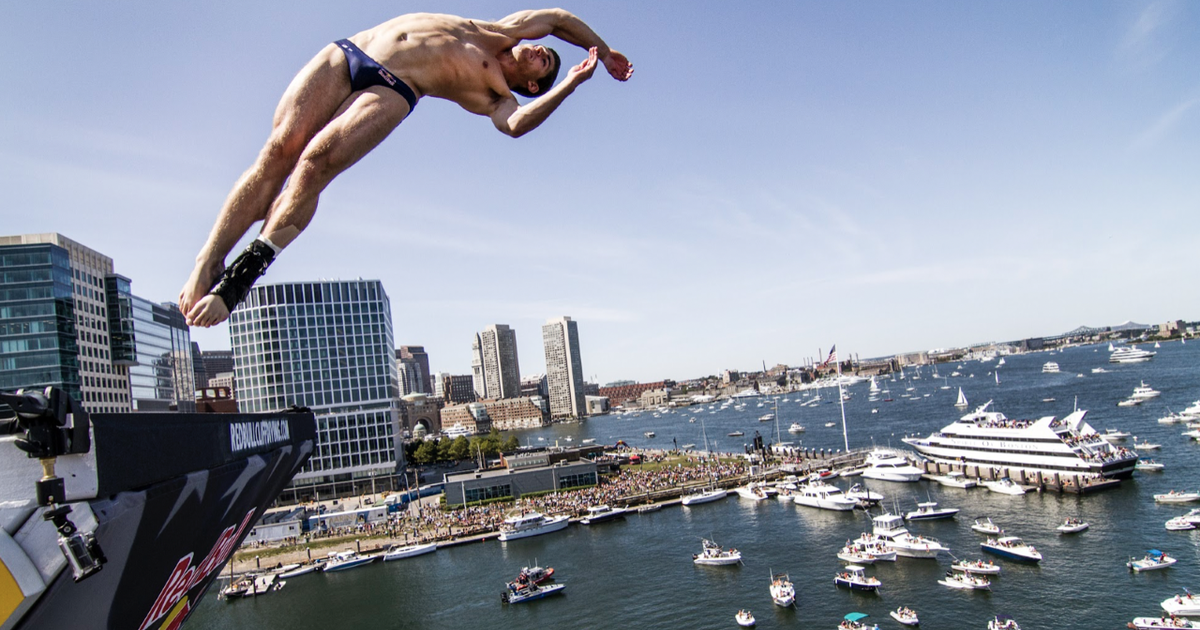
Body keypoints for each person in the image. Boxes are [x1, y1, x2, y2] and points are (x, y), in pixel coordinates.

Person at [179, 9, 632, 327]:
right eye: (545, 50)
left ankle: (240, 277)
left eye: (546, 61)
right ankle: (208, 260)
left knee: (313, 165)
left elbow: (514, 125)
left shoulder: (497, 94)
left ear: (532, 82)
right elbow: (557, 17)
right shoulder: (504, 30)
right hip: (351, 52)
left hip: (395, 90)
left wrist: (571, 82)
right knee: (278, 151)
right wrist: (605, 50)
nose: (540, 50)